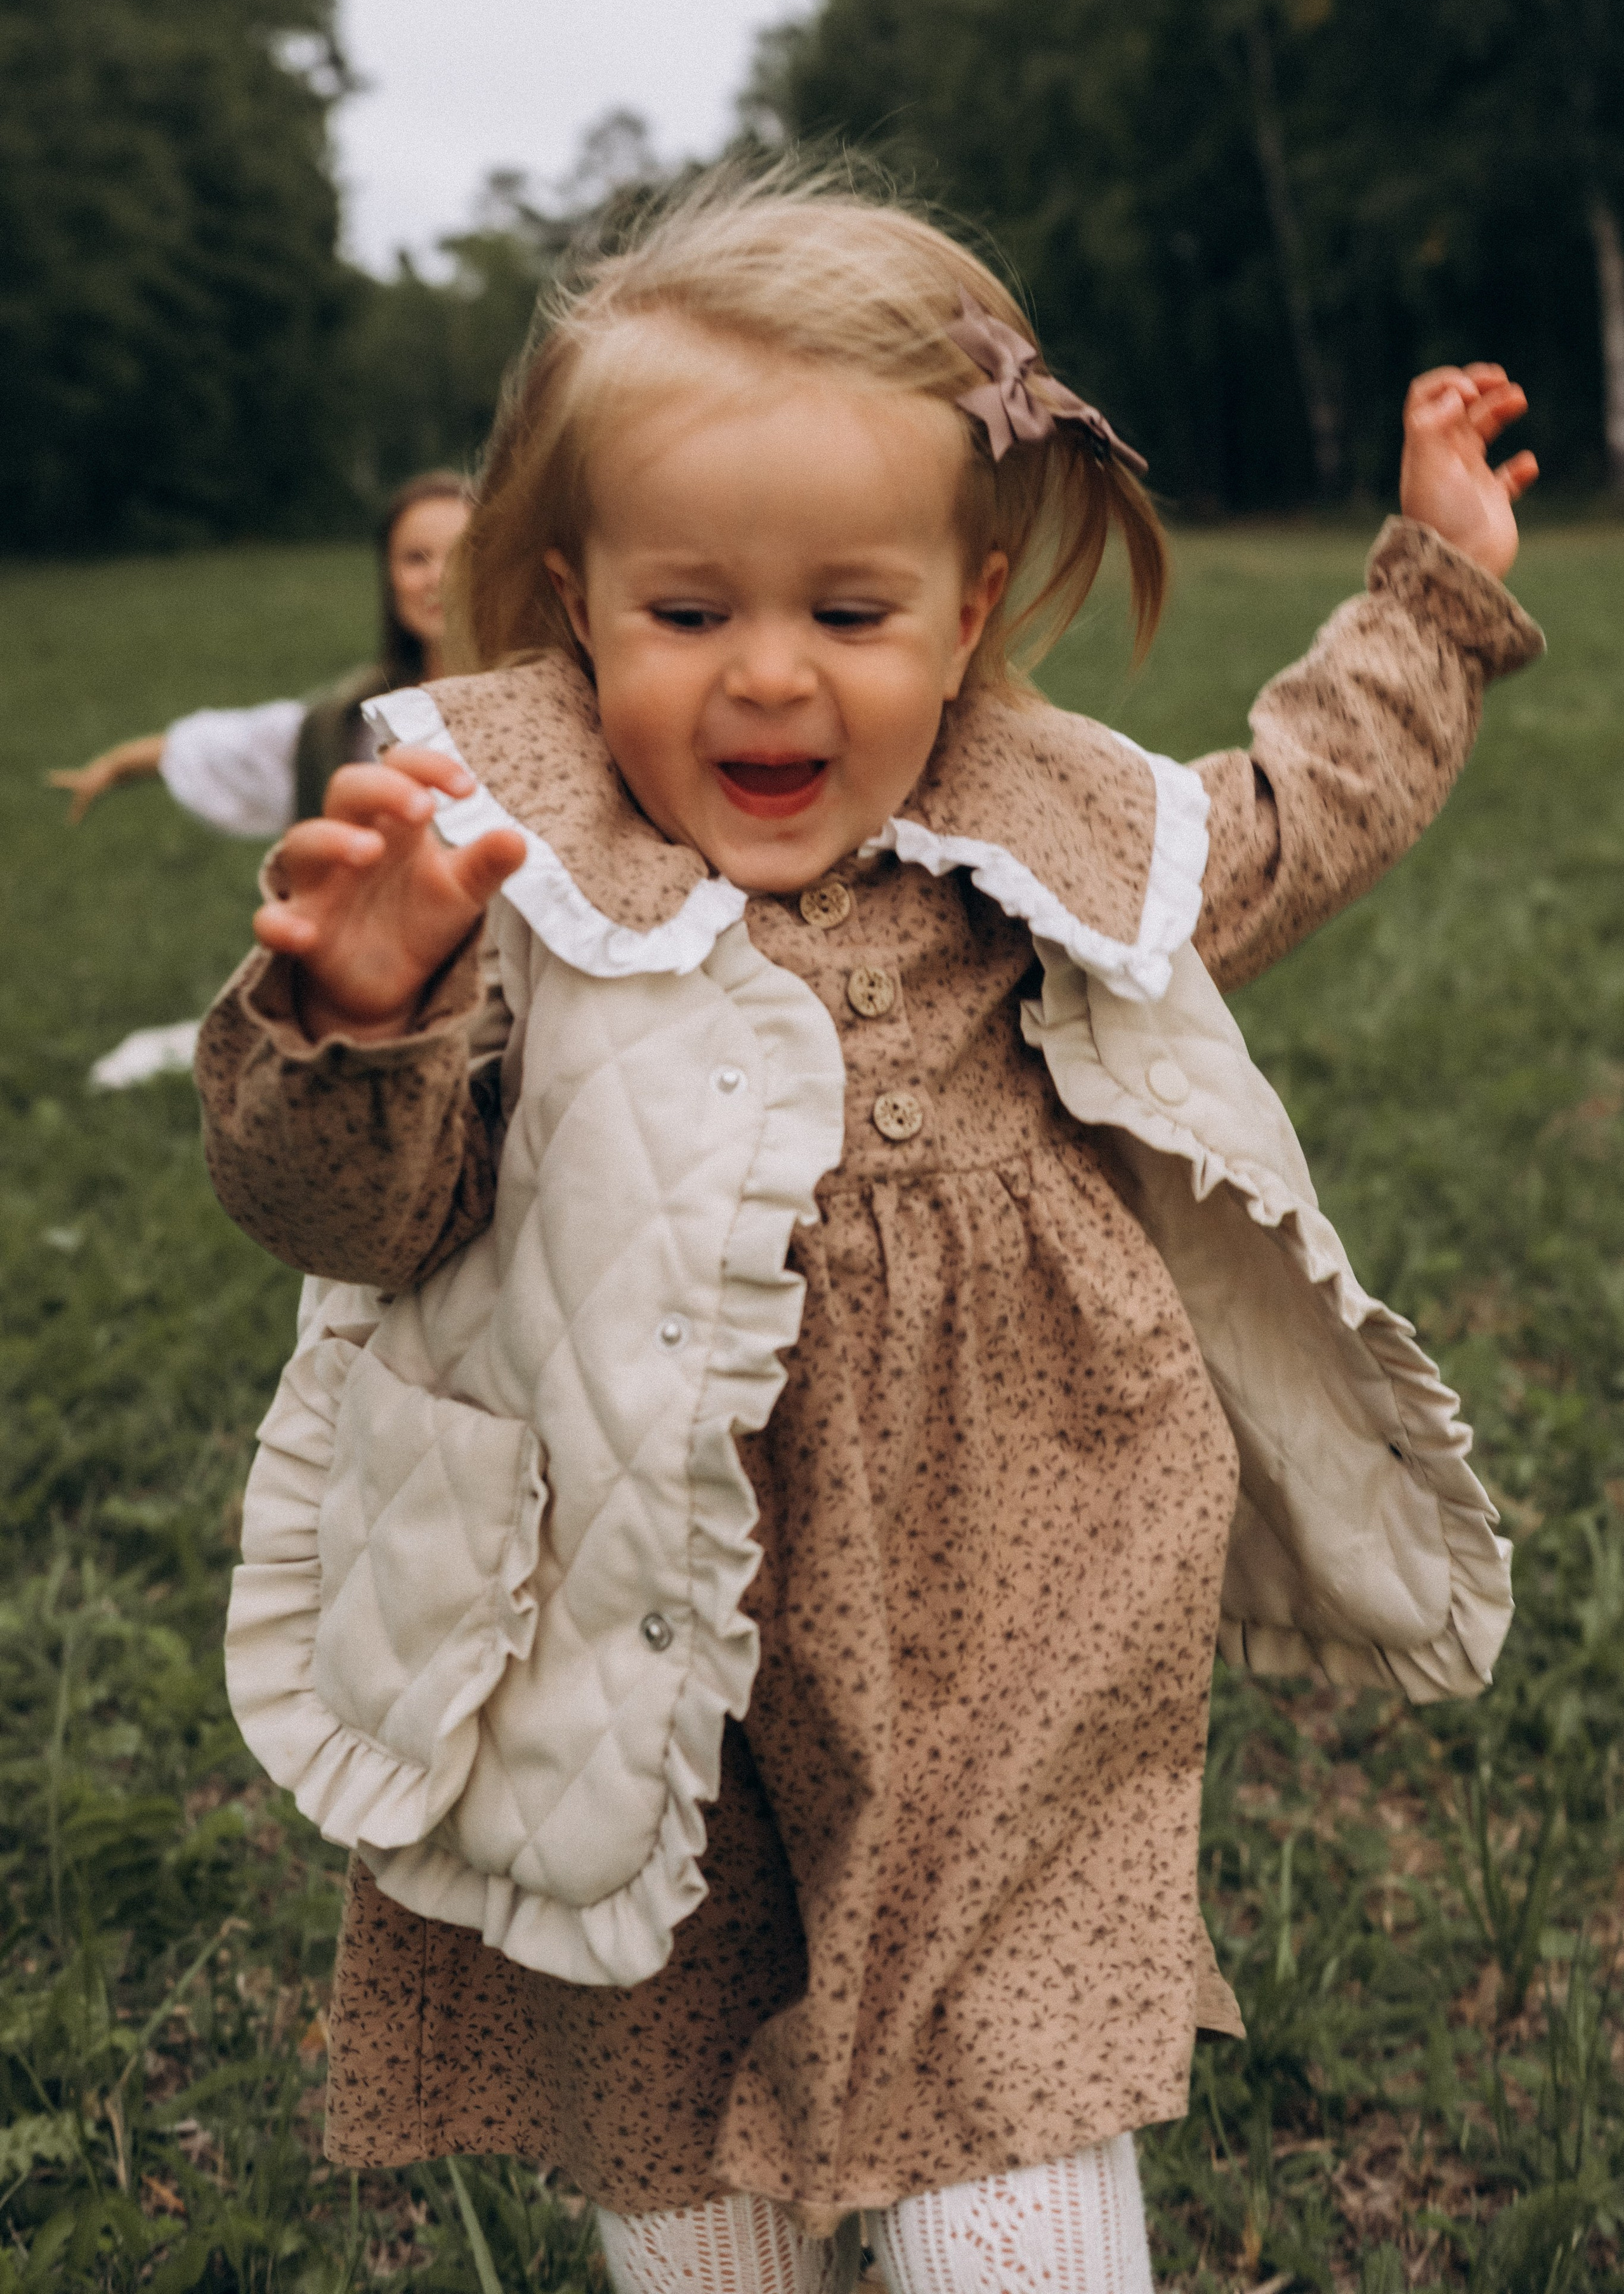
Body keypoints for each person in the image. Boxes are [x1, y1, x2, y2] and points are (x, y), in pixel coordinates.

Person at [195, 167, 1542, 2294]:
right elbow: (352, 1213)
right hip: (651, 1670)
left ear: (969, 607)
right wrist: (358, 1024)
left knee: (1012, 2202)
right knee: (697, 2165)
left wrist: (1432, 596)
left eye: (847, 613)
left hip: (1011, 1654)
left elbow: (1292, 811)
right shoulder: (514, 884)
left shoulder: (1032, 846)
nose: (768, 682)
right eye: (688, 610)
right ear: (574, 596)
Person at [48, 471, 471, 837]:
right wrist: (115, 767)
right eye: (416, 558)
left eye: (461, 554)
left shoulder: (535, 699)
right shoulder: (348, 727)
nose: (438, 576)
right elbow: (230, 747)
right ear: (389, 578)